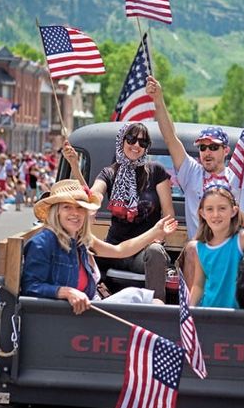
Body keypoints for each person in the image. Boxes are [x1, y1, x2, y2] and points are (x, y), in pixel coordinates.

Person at [146, 74, 244, 286]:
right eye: (202, 147)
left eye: (213, 147)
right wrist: (158, 99)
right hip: (201, 254)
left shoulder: (240, 171)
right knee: (192, 256)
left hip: (236, 255)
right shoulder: (191, 172)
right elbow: (169, 138)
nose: (207, 152)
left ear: (225, 150)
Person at [21, 179, 178, 313]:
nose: (75, 213)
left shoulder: (81, 239)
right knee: (140, 298)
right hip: (67, 316)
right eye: (67, 207)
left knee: (147, 298)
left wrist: (155, 231)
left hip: (90, 307)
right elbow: (30, 287)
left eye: (80, 207)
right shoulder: (42, 242)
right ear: (56, 212)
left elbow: (120, 250)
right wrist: (66, 292)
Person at [63, 122, 175, 302]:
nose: (136, 145)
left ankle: (158, 306)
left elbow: (169, 215)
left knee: (155, 251)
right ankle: (88, 301)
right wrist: (75, 166)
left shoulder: (156, 172)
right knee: (83, 248)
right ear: (121, 141)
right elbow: (92, 197)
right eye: (131, 139)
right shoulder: (109, 172)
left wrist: (159, 237)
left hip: (144, 249)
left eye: (143, 142)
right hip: (113, 249)